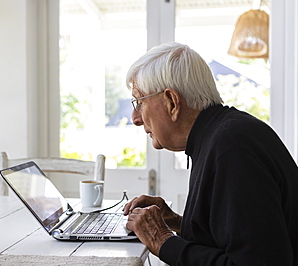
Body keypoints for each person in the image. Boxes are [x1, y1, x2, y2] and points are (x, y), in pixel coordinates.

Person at [123, 41, 298, 265]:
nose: (135, 119)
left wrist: (162, 240)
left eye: (139, 102)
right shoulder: (223, 133)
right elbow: (234, 236)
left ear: (172, 102)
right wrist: (176, 222)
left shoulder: (232, 148)